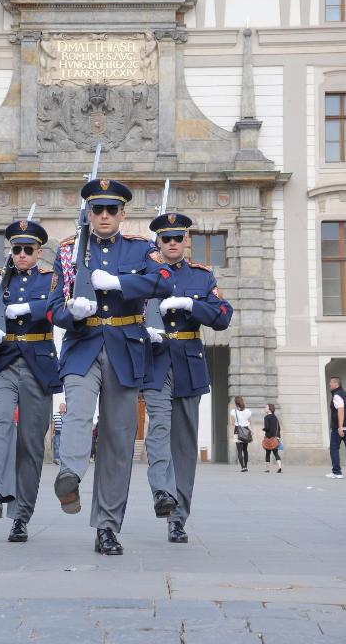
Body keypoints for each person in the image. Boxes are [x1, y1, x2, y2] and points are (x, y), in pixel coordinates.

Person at [48, 177, 174, 556]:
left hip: (125, 347)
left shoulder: (141, 250)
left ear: (123, 214)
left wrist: (119, 283)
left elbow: (163, 282)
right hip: (83, 346)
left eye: (110, 210)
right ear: (88, 212)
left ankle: (106, 526)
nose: (103, 215)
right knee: (78, 413)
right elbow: (54, 306)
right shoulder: (70, 251)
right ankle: (69, 474)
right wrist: (70, 312)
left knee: (118, 443)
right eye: (97, 210)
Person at [143, 212, 233, 544]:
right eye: (165, 239)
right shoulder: (145, 274)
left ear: (186, 241)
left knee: (184, 446)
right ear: (158, 242)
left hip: (188, 362)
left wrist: (191, 305)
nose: (172, 244)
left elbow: (223, 317)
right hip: (154, 362)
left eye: (177, 238)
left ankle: (178, 518)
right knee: (159, 429)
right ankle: (163, 494)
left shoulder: (201, 277)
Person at [0, 220, 62, 543]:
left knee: (31, 444)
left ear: (38, 252)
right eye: (16, 249)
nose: (21, 255)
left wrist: (27, 309)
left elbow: (56, 308)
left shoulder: (50, 280)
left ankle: (21, 515)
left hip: (37, 365)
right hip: (3, 361)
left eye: (28, 249)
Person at [326, 376, 346, 479]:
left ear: (336, 384)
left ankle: (337, 472)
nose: (329, 384)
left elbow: (341, 411)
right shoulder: (344, 394)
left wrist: (340, 427)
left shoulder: (337, 395)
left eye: (331, 382)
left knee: (334, 449)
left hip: (339, 428)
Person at [231, 396, 252, 472]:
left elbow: (232, 423)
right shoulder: (248, 411)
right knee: (245, 450)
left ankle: (243, 467)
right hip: (246, 430)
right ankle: (246, 466)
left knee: (239, 450)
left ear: (236, 403)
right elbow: (250, 421)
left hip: (237, 430)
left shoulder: (233, 412)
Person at [262, 403, 282, 473]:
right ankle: (280, 467)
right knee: (276, 453)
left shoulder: (266, 417)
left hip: (268, 438)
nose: (265, 408)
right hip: (275, 438)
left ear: (269, 409)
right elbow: (278, 428)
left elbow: (267, 428)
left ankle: (268, 469)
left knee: (267, 453)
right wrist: (278, 437)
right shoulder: (275, 417)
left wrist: (264, 429)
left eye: (266, 407)